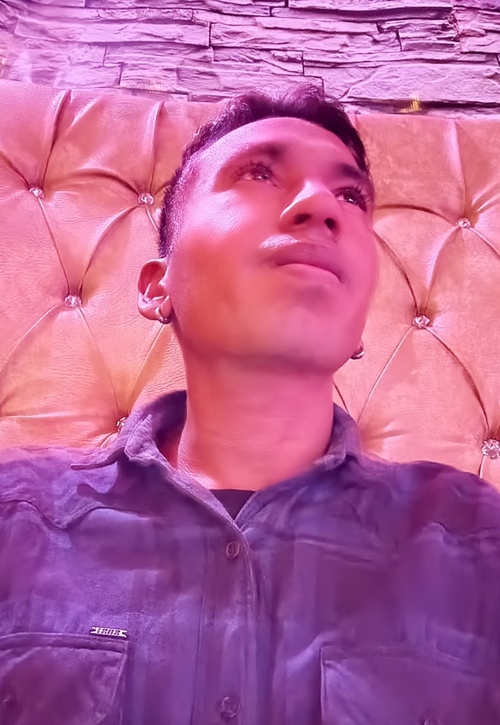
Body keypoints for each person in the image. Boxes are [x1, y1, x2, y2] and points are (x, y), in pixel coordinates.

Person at [0, 83, 499, 725]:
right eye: (259, 173)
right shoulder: (17, 523)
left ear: (358, 324)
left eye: (350, 196)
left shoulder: (474, 543)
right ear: (158, 287)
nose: (320, 204)